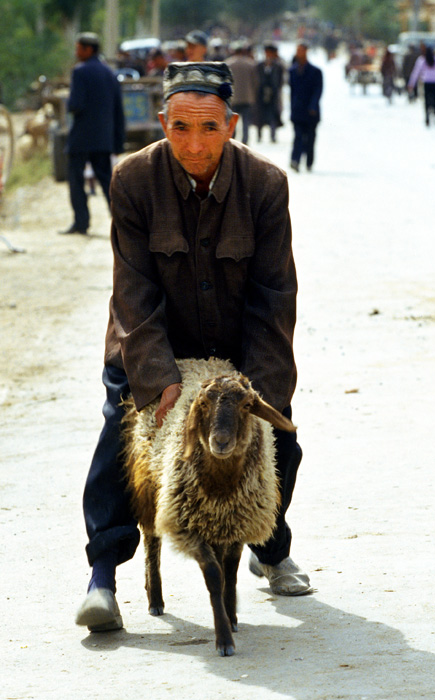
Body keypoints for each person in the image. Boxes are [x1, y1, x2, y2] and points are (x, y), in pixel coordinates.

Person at [75, 61, 312, 633]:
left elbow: (274, 294)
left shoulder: (264, 184)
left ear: (231, 125)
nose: (195, 142)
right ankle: (102, 577)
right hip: (147, 344)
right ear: (162, 122)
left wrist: (258, 391)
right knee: (119, 440)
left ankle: (269, 547)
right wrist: (159, 379)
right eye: (181, 126)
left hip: (235, 355)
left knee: (277, 443)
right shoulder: (133, 180)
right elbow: (132, 290)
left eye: (209, 127)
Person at [60, 32, 124, 235]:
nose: (76, 52)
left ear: (89, 50)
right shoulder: (109, 73)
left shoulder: (79, 72)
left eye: (79, 48)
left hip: (81, 137)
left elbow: (75, 105)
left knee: (76, 180)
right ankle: (122, 224)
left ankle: (81, 223)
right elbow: (118, 110)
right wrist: (117, 141)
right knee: (106, 181)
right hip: (103, 138)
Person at [289, 41, 323, 172]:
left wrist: (313, 106)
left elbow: (318, 91)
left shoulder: (316, 72)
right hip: (297, 111)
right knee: (297, 137)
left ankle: (309, 162)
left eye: (301, 50)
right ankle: (295, 160)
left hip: (311, 112)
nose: (299, 53)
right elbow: (292, 93)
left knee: (310, 139)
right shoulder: (292, 71)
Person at [226, 40, 258, 145]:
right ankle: (244, 143)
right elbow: (256, 82)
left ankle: (233, 142)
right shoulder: (250, 64)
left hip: (233, 98)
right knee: (246, 123)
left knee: (232, 123)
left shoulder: (228, 64)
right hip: (247, 97)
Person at [407, 45, 435, 126]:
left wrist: (411, 84)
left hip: (426, 82)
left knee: (426, 100)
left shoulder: (422, 60)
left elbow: (416, 73)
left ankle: (427, 117)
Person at [255, 43, 284, 143]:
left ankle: (273, 135)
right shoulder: (259, 65)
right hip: (261, 94)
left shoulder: (278, 66)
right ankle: (259, 135)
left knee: (273, 115)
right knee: (260, 115)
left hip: (273, 95)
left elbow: (280, 81)